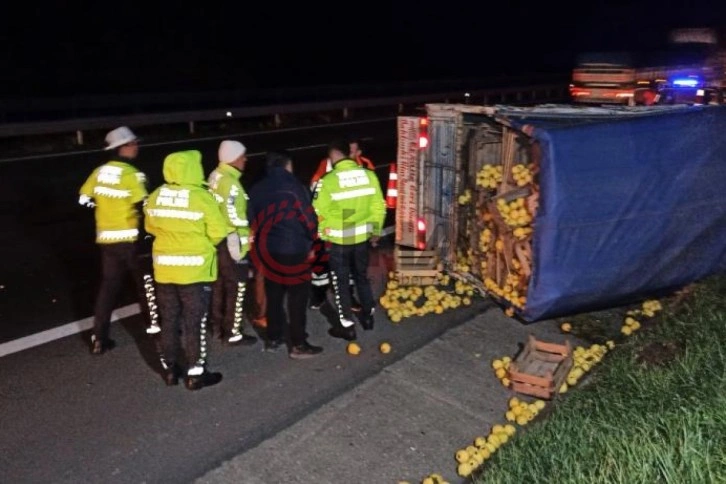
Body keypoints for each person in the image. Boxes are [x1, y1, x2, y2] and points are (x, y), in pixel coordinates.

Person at [144, 150, 229, 390]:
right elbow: (218, 232)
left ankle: (171, 369)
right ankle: (196, 373)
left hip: (164, 269)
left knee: (169, 319)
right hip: (194, 271)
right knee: (195, 321)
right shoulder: (201, 197)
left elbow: (150, 227)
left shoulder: (156, 195)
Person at [79, 126, 151, 354]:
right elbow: (144, 205)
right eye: (133, 143)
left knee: (108, 288)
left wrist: (102, 207)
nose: (136, 146)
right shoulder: (132, 174)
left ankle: (99, 338)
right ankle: (156, 327)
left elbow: (83, 199)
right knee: (145, 285)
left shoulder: (99, 172)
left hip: (106, 239)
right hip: (130, 238)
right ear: (121, 148)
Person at [248, 151, 323, 359]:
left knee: (274, 295)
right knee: (297, 298)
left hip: (268, 250)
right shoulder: (295, 187)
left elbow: (251, 219)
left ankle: (273, 338)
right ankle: (298, 344)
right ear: (287, 166)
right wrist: (312, 239)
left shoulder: (257, 188)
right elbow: (308, 219)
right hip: (294, 249)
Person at [312, 140, 386, 341]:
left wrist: (325, 234)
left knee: (341, 282)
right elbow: (378, 206)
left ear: (333, 157)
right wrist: (376, 230)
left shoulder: (328, 181)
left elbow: (319, 211)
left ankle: (347, 327)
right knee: (361, 277)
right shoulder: (369, 175)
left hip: (340, 240)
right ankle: (368, 318)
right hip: (361, 238)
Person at [207, 140, 258, 346]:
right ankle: (232, 332)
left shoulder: (215, 176)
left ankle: (217, 326)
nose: (245, 159)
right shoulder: (232, 184)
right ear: (234, 158)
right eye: (242, 156)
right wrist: (247, 238)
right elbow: (235, 218)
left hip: (217, 240)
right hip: (232, 241)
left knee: (218, 286)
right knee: (237, 288)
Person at [309, 138, 375, 190]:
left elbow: (373, 185)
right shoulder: (327, 163)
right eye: (345, 151)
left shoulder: (365, 164)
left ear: (358, 153)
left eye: (350, 152)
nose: (346, 154)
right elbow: (314, 184)